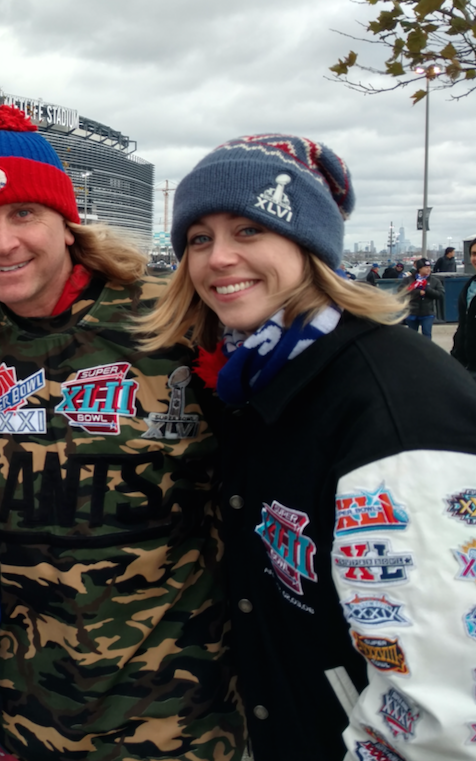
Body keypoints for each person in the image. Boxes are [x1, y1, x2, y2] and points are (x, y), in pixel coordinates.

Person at [138, 133, 476, 760]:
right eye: (200, 238)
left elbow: (442, 717)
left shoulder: (393, 407)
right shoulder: (262, 374)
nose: (217, 259)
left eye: (248, 230)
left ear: (309, 246)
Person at [0, 105, 243, 760]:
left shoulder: (175, 319)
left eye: (24, 215)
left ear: (67, 225)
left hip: (179, 713)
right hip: (25, 714)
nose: (2, 241)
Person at [450, 241, 476, 378]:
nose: (475, 258)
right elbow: (464, 324)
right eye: (473, 254)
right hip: (466, 364)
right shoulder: (470, 286)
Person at [400, 257, 443, 338]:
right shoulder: (409, 280)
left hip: (427, 312)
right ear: (419, 268)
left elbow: (440, 294)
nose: (428, 269)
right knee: (412, 336)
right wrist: (417, 292)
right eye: (426, 267)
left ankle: (427, 350)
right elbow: (401, 291)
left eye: (429, 267)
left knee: (427, 334)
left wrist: (427, 289)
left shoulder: (434, 281)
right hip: (412, 311)